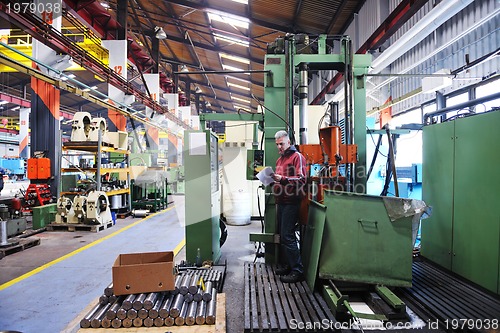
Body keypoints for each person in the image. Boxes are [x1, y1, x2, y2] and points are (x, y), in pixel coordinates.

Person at [271, 130, 306, 283]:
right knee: (282, 236)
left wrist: (283, 179)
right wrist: (272, 180)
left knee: (288, 236)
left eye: (282, 144)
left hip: (292, 201)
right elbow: (280, 179)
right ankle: (288, 265)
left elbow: (302, 179)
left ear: (289, 142)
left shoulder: (297, 157)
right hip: (281, 201)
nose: (279, 147)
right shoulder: (279, 161)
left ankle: (298, 271)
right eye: (277, 144)